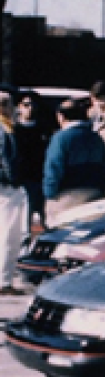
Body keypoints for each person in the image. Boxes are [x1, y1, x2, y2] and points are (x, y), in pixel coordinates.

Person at [43, 99, 105, 220]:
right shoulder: (96, 138)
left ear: (61, 116)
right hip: (94, 194)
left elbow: (53, 168)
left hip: (66, 197)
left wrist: (49, 193)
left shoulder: (60, 138)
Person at [13, 90, 52, 232]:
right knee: (24, 220)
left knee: (46, 218)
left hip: (42, 177)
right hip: (24, 180)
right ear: (19, 107)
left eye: (33, 105)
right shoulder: (14, 130)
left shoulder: (44, 129)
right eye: (26, 104)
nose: (30, 108)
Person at [0, 92, 26, 295]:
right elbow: (7, 160)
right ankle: (4, 281)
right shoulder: (5, 129)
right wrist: (15, 180)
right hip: (6, 188)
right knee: (9, 234)